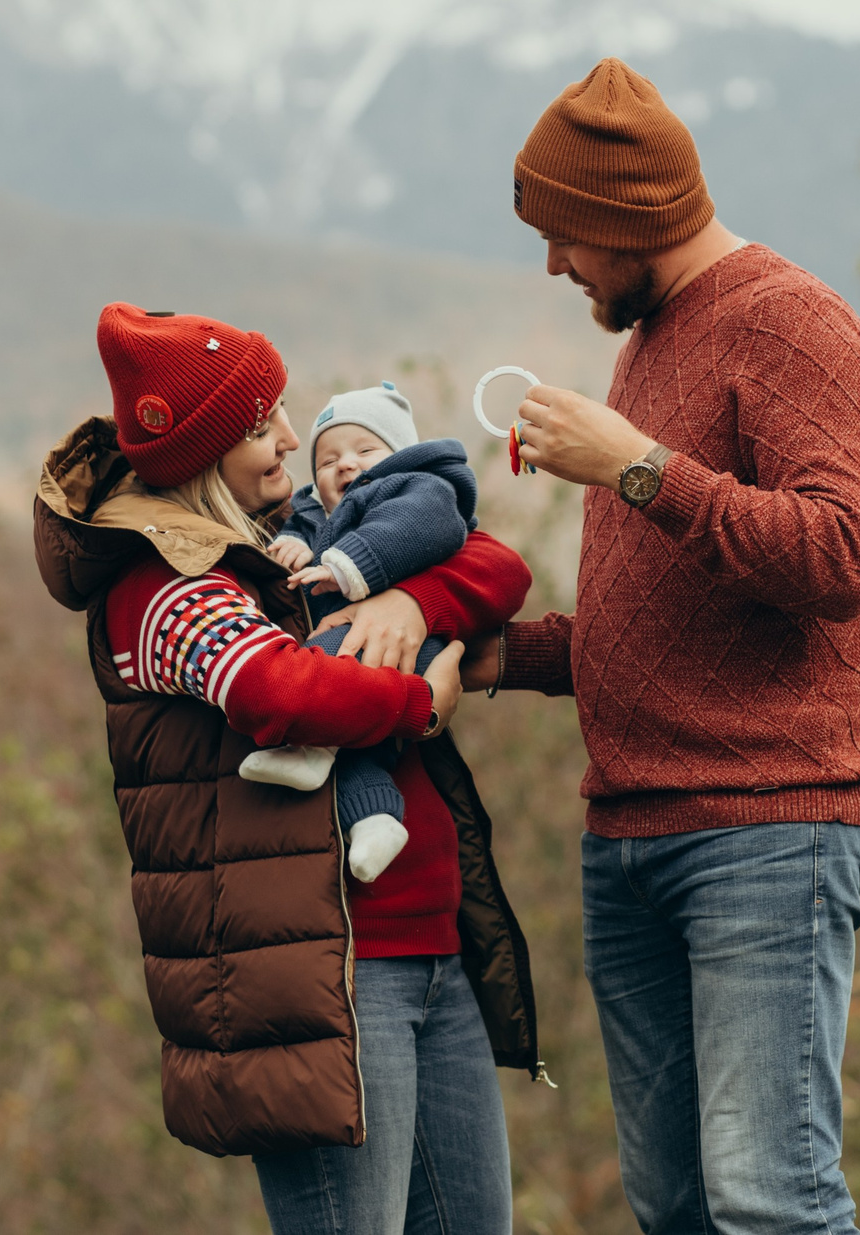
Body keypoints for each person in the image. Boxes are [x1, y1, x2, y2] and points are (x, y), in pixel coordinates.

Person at [473, 57, 860, 1235]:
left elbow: (835, 558)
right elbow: (652, 624)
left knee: (772, 1202)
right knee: (678, 1210)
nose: (554, 264)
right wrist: (493, 658)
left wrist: (634, 466)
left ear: (627, 219)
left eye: (565, 236)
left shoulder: (790, 324)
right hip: (631, 842)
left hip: (767, 834)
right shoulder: (650, 338)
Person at [32, 303, 541, 1235]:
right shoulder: (160, 590)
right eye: (263, 425)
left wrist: (405, 599)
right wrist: (419, 702)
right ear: (207, 449)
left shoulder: (290, 542)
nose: (293, 440)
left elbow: (495, 562)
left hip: (429, 947)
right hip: (325, 981)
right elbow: (280, 691)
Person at [253, 380, 483, 882]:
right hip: (364, 665)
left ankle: (313, 745)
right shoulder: (314, 512)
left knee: (319, 662)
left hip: (405, 649)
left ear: (399, 454)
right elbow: (301, 527)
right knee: (353, 753)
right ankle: (377, 821)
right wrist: (293, 541)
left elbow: (419, 526)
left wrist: (345, 567)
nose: (345, 464)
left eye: (365, 449)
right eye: (327, 458)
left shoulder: (419, 488)